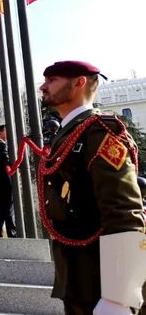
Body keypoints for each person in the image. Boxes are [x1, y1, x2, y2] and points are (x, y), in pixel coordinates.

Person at [38, 60, 145, 315]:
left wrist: (119, 295)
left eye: (52, 80)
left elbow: (124, 210)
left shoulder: (100, 131)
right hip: (77, 275)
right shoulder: (69, 132)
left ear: (79, 83)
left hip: (100, 278)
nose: (43, 86)